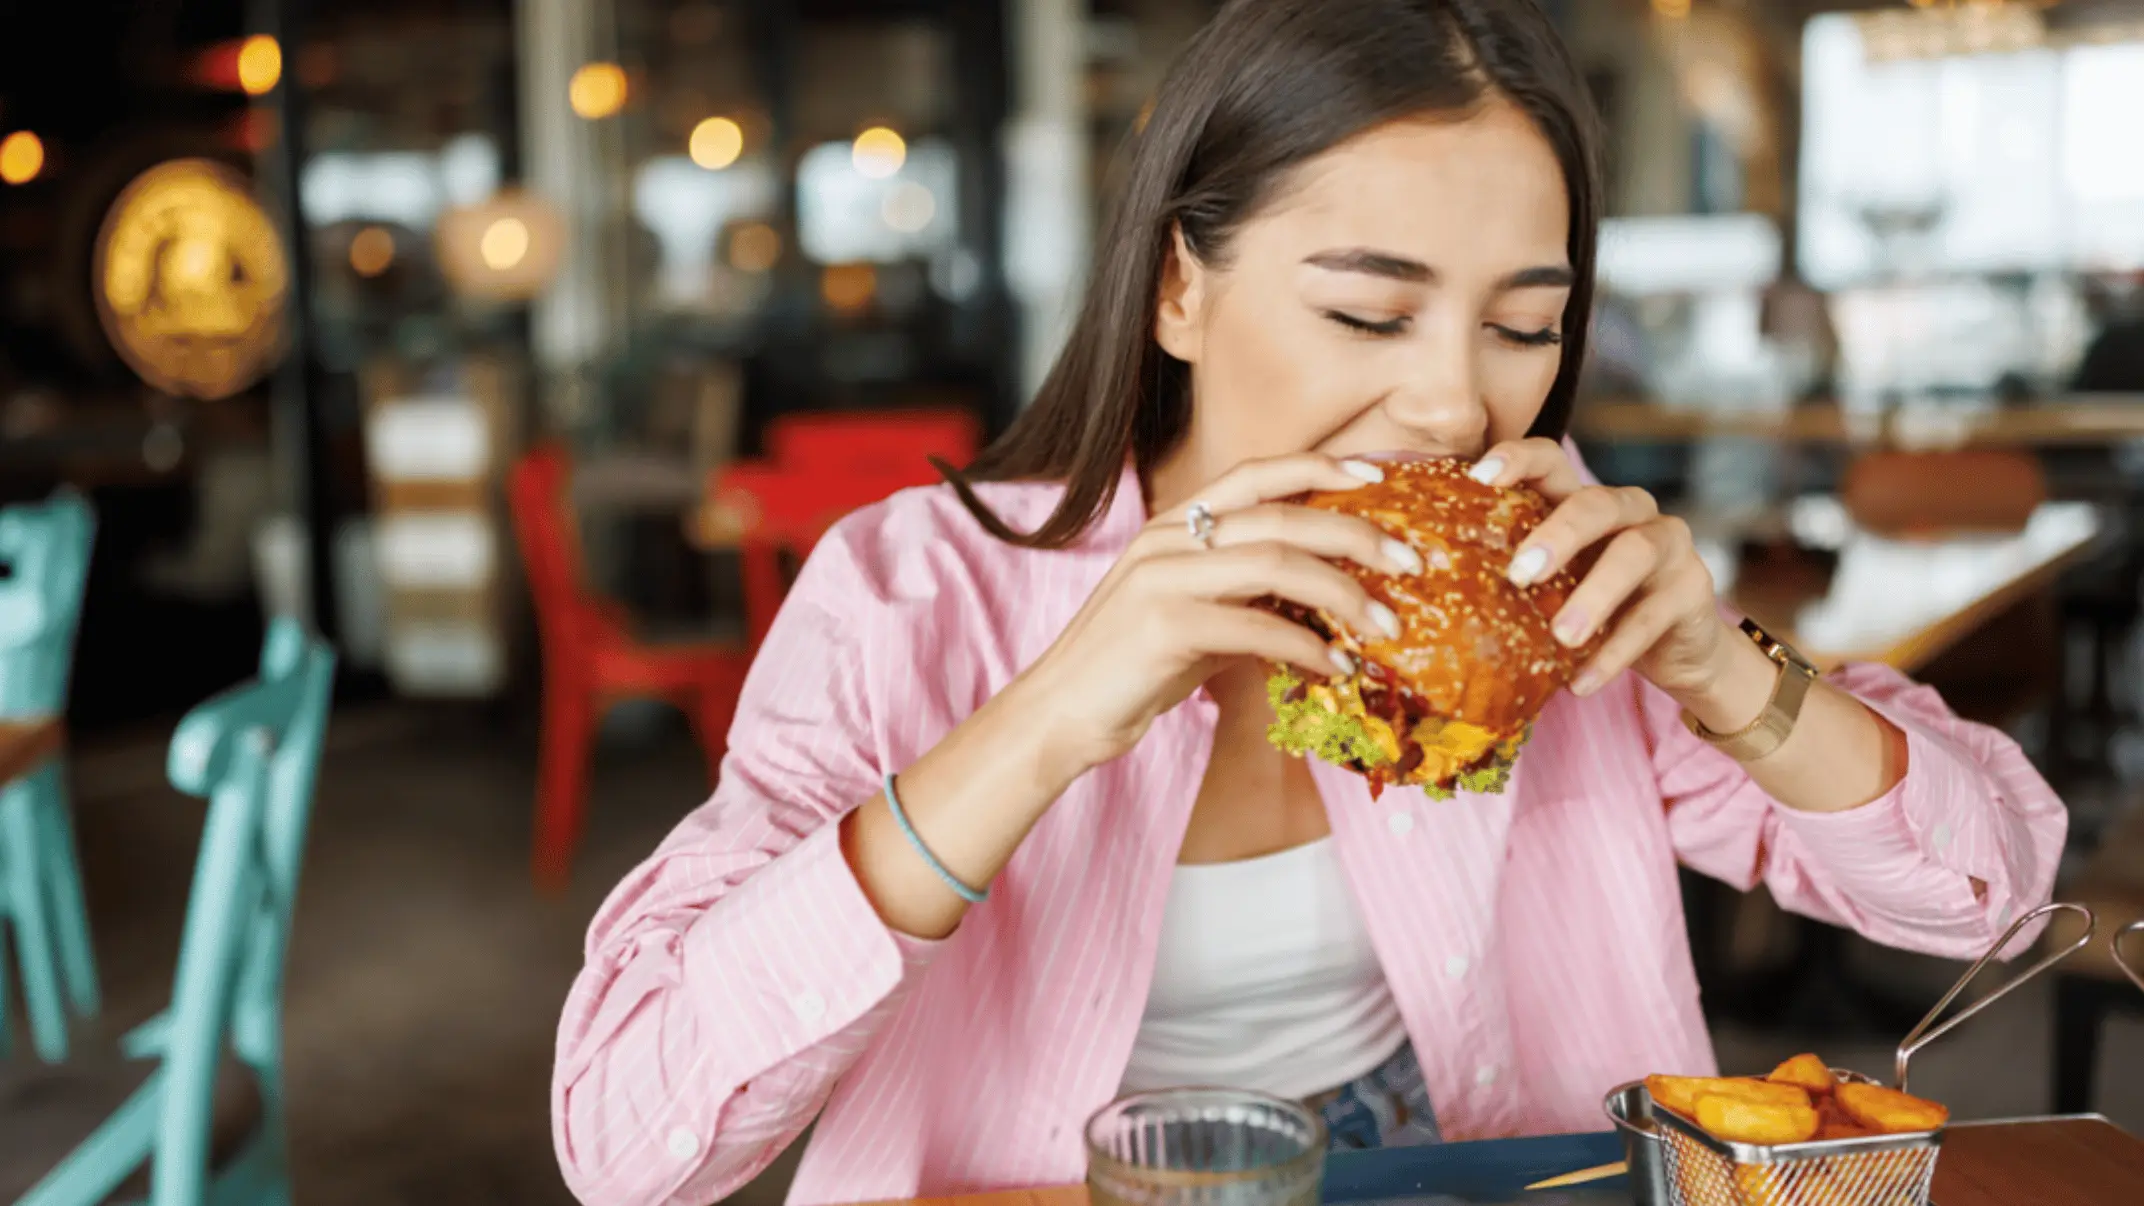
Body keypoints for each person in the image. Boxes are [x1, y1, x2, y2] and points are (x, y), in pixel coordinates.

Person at [551, 2, 2066, 1203]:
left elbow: (1986, 893)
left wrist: (1722, 669)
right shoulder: (909, 592)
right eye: (1368, 310)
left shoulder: (1550, 592)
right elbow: (630, 1140)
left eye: (1525, 325)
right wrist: (1046, 720)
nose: (1451, 400)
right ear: (1177, 291)